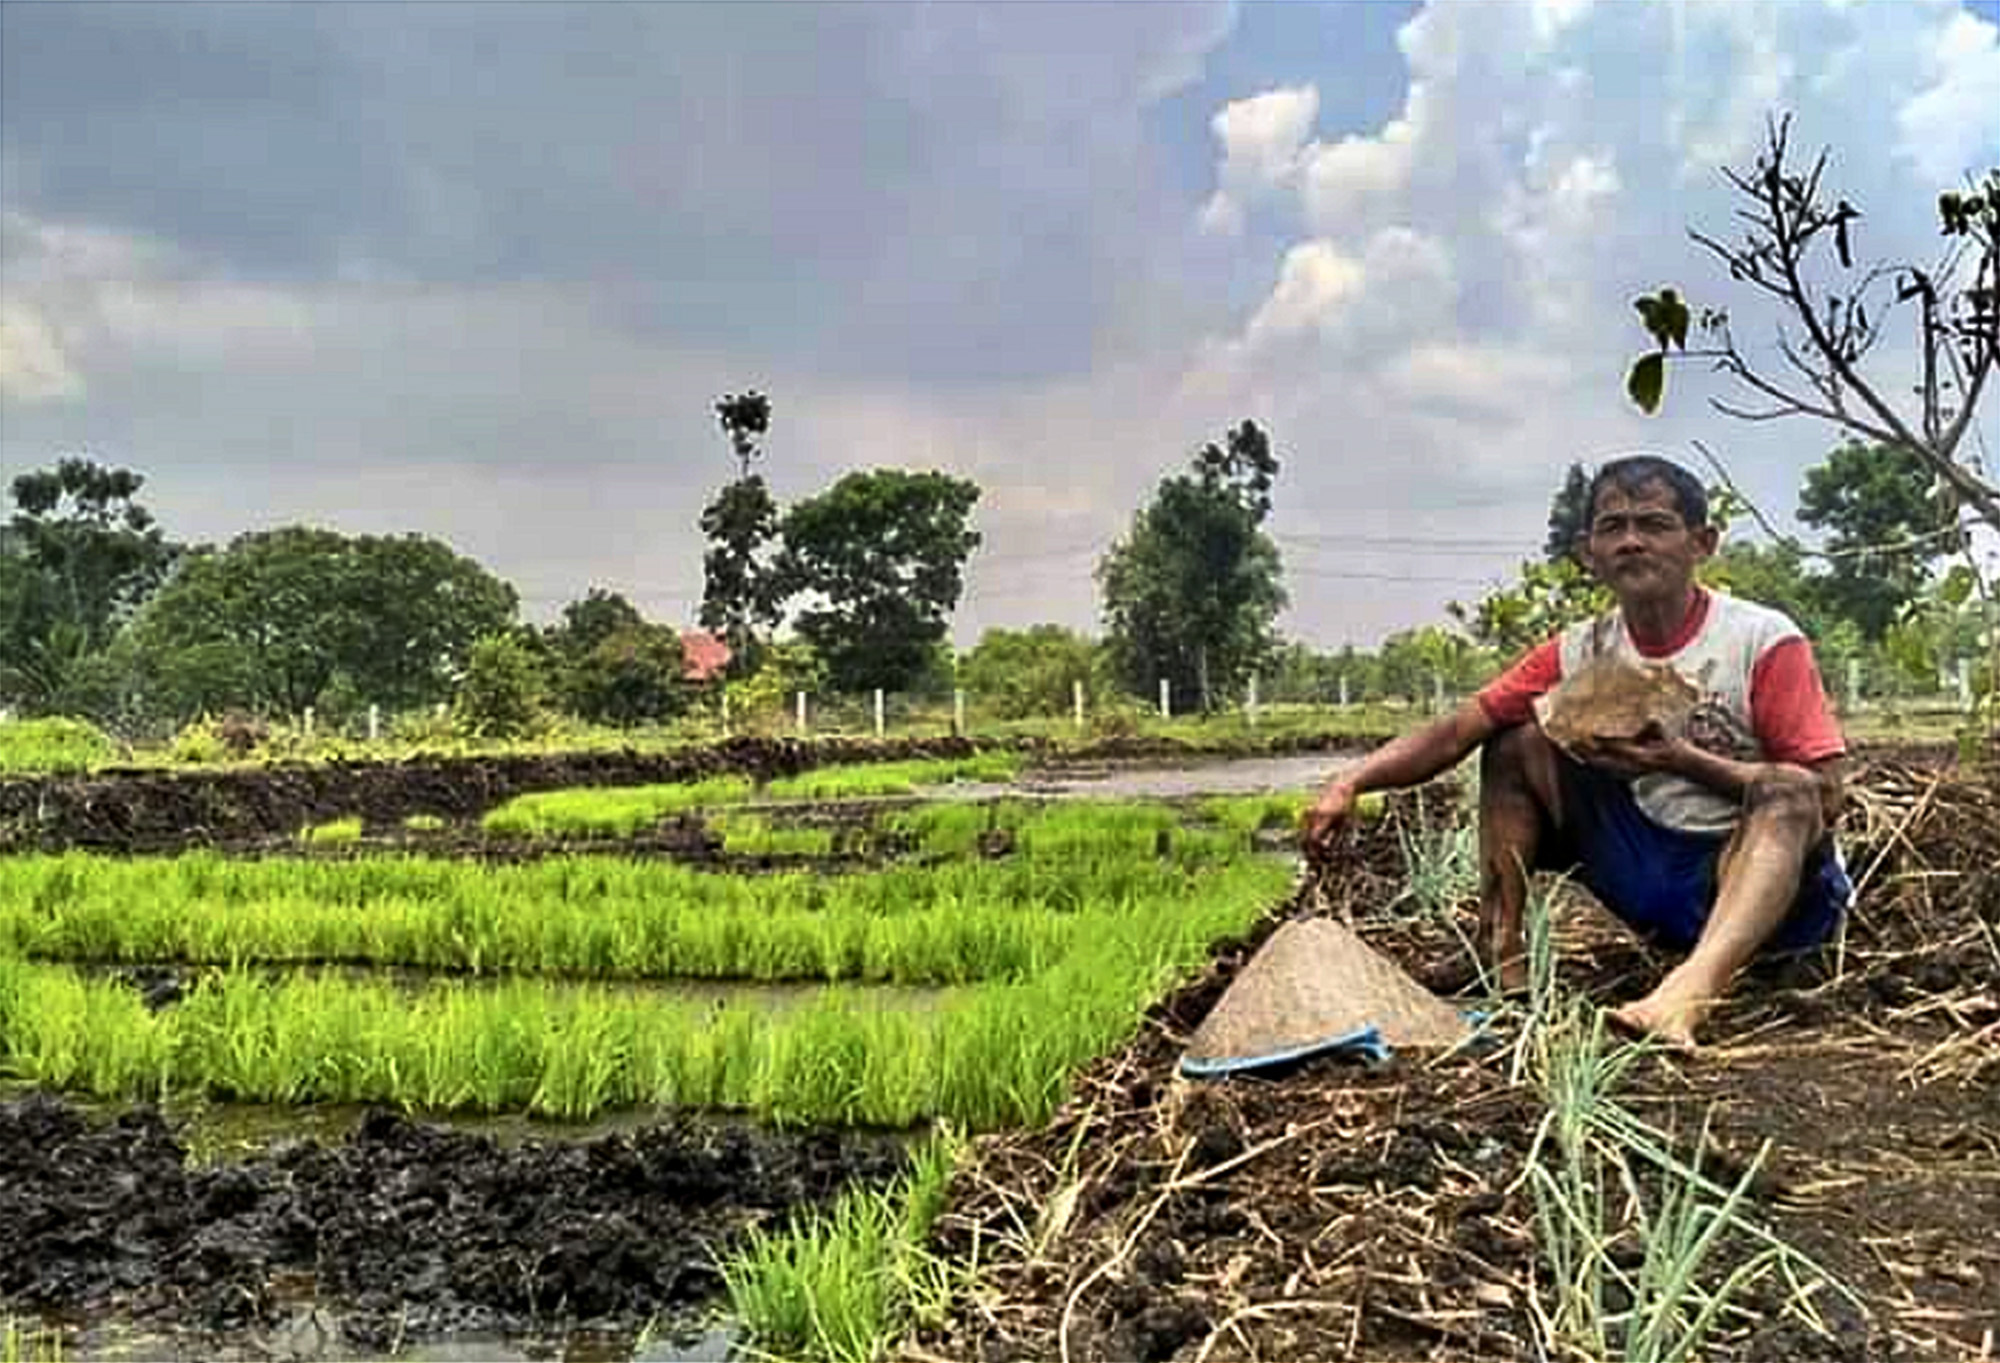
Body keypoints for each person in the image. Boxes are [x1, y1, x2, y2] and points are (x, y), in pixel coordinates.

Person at [1302, 454, 1850, 1048]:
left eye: (1655, 524)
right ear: (1589, 552)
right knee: (1513, 742)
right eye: (1613, 527)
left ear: (1702, 542)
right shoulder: (1580, 650)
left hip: (1756, 887)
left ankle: (1688, 993)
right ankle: (1501, 955)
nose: (1633, 542)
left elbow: (1826, 794)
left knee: (1790, 791)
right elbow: (1458, 730)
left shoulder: (1760, 640)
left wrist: (1681, 759)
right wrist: (1351, 782)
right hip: (1647, 867)